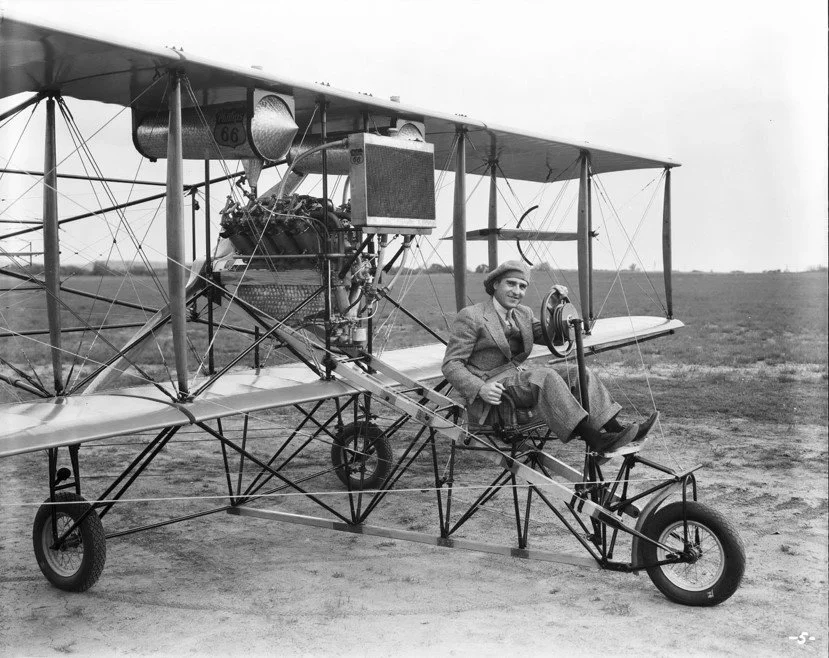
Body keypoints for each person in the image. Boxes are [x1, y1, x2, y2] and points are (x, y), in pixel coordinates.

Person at [442, 260, 657, 453]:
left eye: (522, 286)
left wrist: (556, 306)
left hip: (517, 379)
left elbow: (550, 336)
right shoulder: (472, 316)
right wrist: (480, 388)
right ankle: (595, 439)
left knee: (577, 373)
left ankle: (617, 429)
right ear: (496, 284)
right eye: (511, 284)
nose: (517, 291)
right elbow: (452, 364)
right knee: (544, 376)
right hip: (493, 387)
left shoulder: (523, 313)